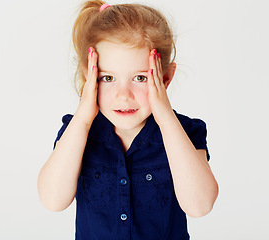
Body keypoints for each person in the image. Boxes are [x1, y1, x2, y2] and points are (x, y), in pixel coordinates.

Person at [37, 1, 219, 239]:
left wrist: (165, 118)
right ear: (89, 77)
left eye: (140, 78)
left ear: (165, 78)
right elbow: (52, 200)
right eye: (108, 78)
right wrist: (82, 118)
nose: (124, 95)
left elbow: (200, 206)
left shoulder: (184, 131)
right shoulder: (77, 130)